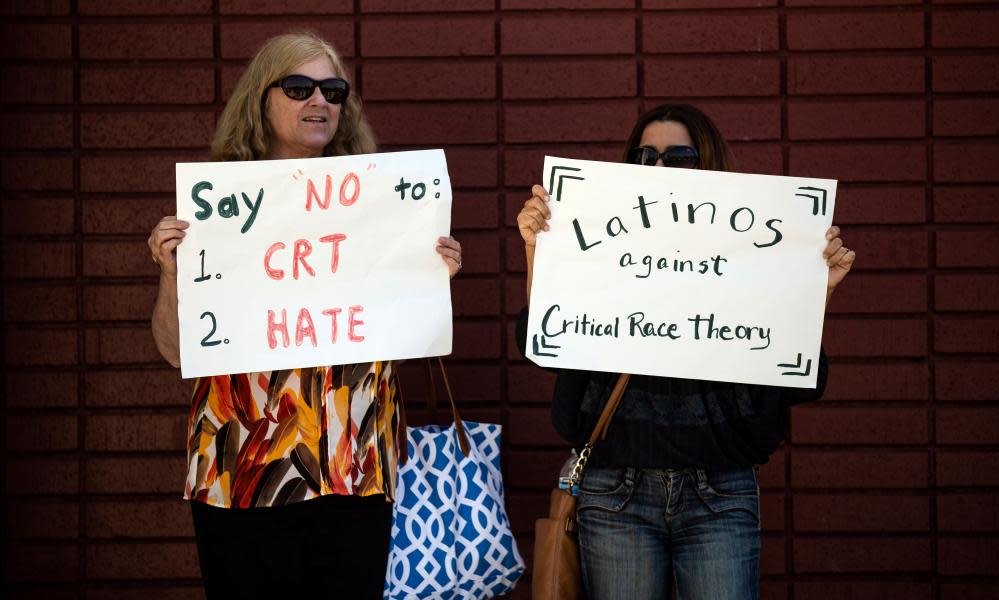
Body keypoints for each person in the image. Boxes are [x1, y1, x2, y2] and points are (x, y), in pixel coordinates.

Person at [147, 32, 463, 598]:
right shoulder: (218, 207)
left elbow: (409, 322)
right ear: (260, 100)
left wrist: (430, 275)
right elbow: (176, 351)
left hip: (354, 466)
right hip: (244, 464)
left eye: (333, 90)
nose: (319, 102)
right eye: (298, 87)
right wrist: (172, 273)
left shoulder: (381, 203)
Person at [515, 104, 856, 600]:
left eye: (679, 157)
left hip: (719, 489)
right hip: (616, 489)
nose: (658, 167)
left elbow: (797, 378)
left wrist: (814, 290)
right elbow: (548, 345)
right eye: (645, 155)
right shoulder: (605, 244)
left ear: (708, 166)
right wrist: (537, 252)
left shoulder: (748, 253)